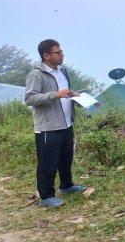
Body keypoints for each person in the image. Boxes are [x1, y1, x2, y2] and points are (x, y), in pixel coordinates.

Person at [25, 39, 86, 208]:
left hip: (66, 123)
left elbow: (62, 93)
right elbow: (30, 98)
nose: (62, 55)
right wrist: (55, 95)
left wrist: (73, 95)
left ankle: (66, 185)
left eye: (61, 52)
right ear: (46, 55)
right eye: (58, 52)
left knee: (66, 157)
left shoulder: (62, 71)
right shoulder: (36, 75)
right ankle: (46, 196)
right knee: (48, 162)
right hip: (49, 127)